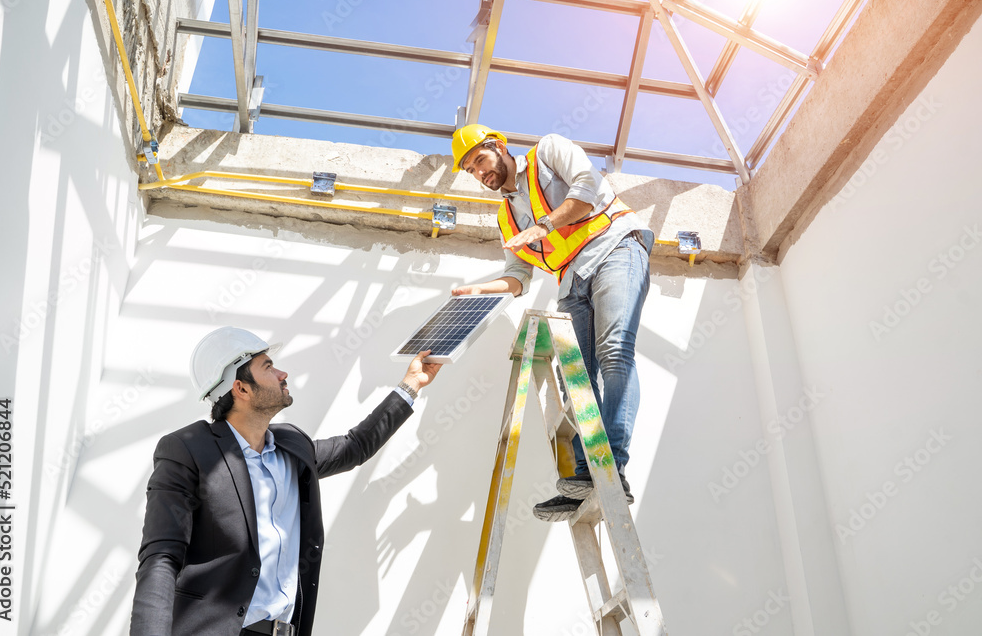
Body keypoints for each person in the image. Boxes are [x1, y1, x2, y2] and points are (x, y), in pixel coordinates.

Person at [130, 326, 441, 636]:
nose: (282, 373)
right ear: (241, 389)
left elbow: (354, 446)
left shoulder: (292, 446)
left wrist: (411, 384)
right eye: (268, 367)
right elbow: (161, 557)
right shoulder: (187, 449)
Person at [450, 124, 652, 522]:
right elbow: (517, 277)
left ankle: (614, 470)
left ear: (499, 147)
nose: (479, 173)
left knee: (614, 352)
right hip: (572, 278)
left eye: (480, 161)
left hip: (616, 247)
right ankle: (585, 476)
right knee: (575, 377)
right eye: (471, 170)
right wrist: (482, 290)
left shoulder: (548, 151)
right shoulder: (505, 215)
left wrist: (543, 226)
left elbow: (587, 185)